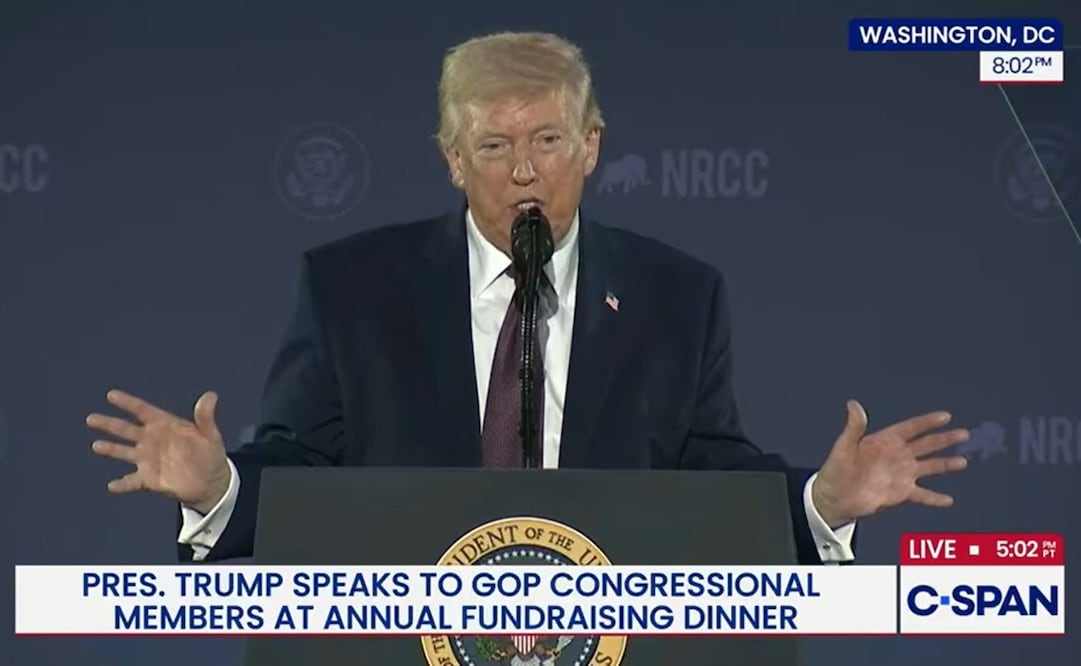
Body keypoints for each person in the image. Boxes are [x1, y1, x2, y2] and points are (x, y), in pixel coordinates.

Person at [86, 31, 969, 565]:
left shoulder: (676, 296)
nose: (521, 171)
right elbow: (305, 471)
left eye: (547, 139)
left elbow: (711, 482)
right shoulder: (351, 287)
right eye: (494, 144)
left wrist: (823, 502)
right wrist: (219, 490)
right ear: (449, 156)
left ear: (590, 145)